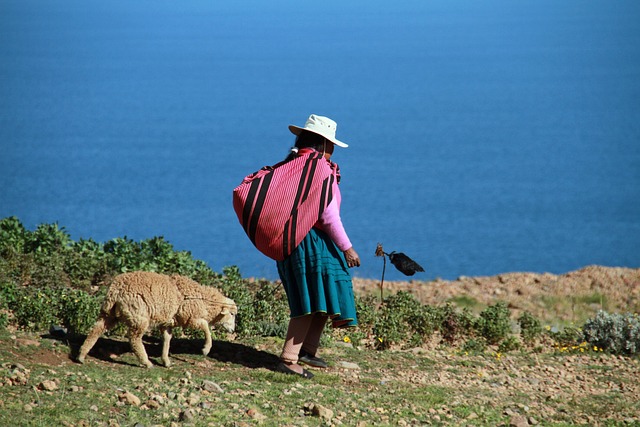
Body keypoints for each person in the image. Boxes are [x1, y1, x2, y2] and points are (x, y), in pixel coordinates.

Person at [274, 114, 361, 379]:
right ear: (323, 143)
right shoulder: (319, 169)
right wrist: (347, 247)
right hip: (311, 243)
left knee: (320, 291)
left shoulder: (293, 164)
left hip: (292, 241)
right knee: (311, 298)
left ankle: (307, 350)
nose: (333, 150)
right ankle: (289, 359)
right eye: (331, 143)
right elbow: (328, 214)